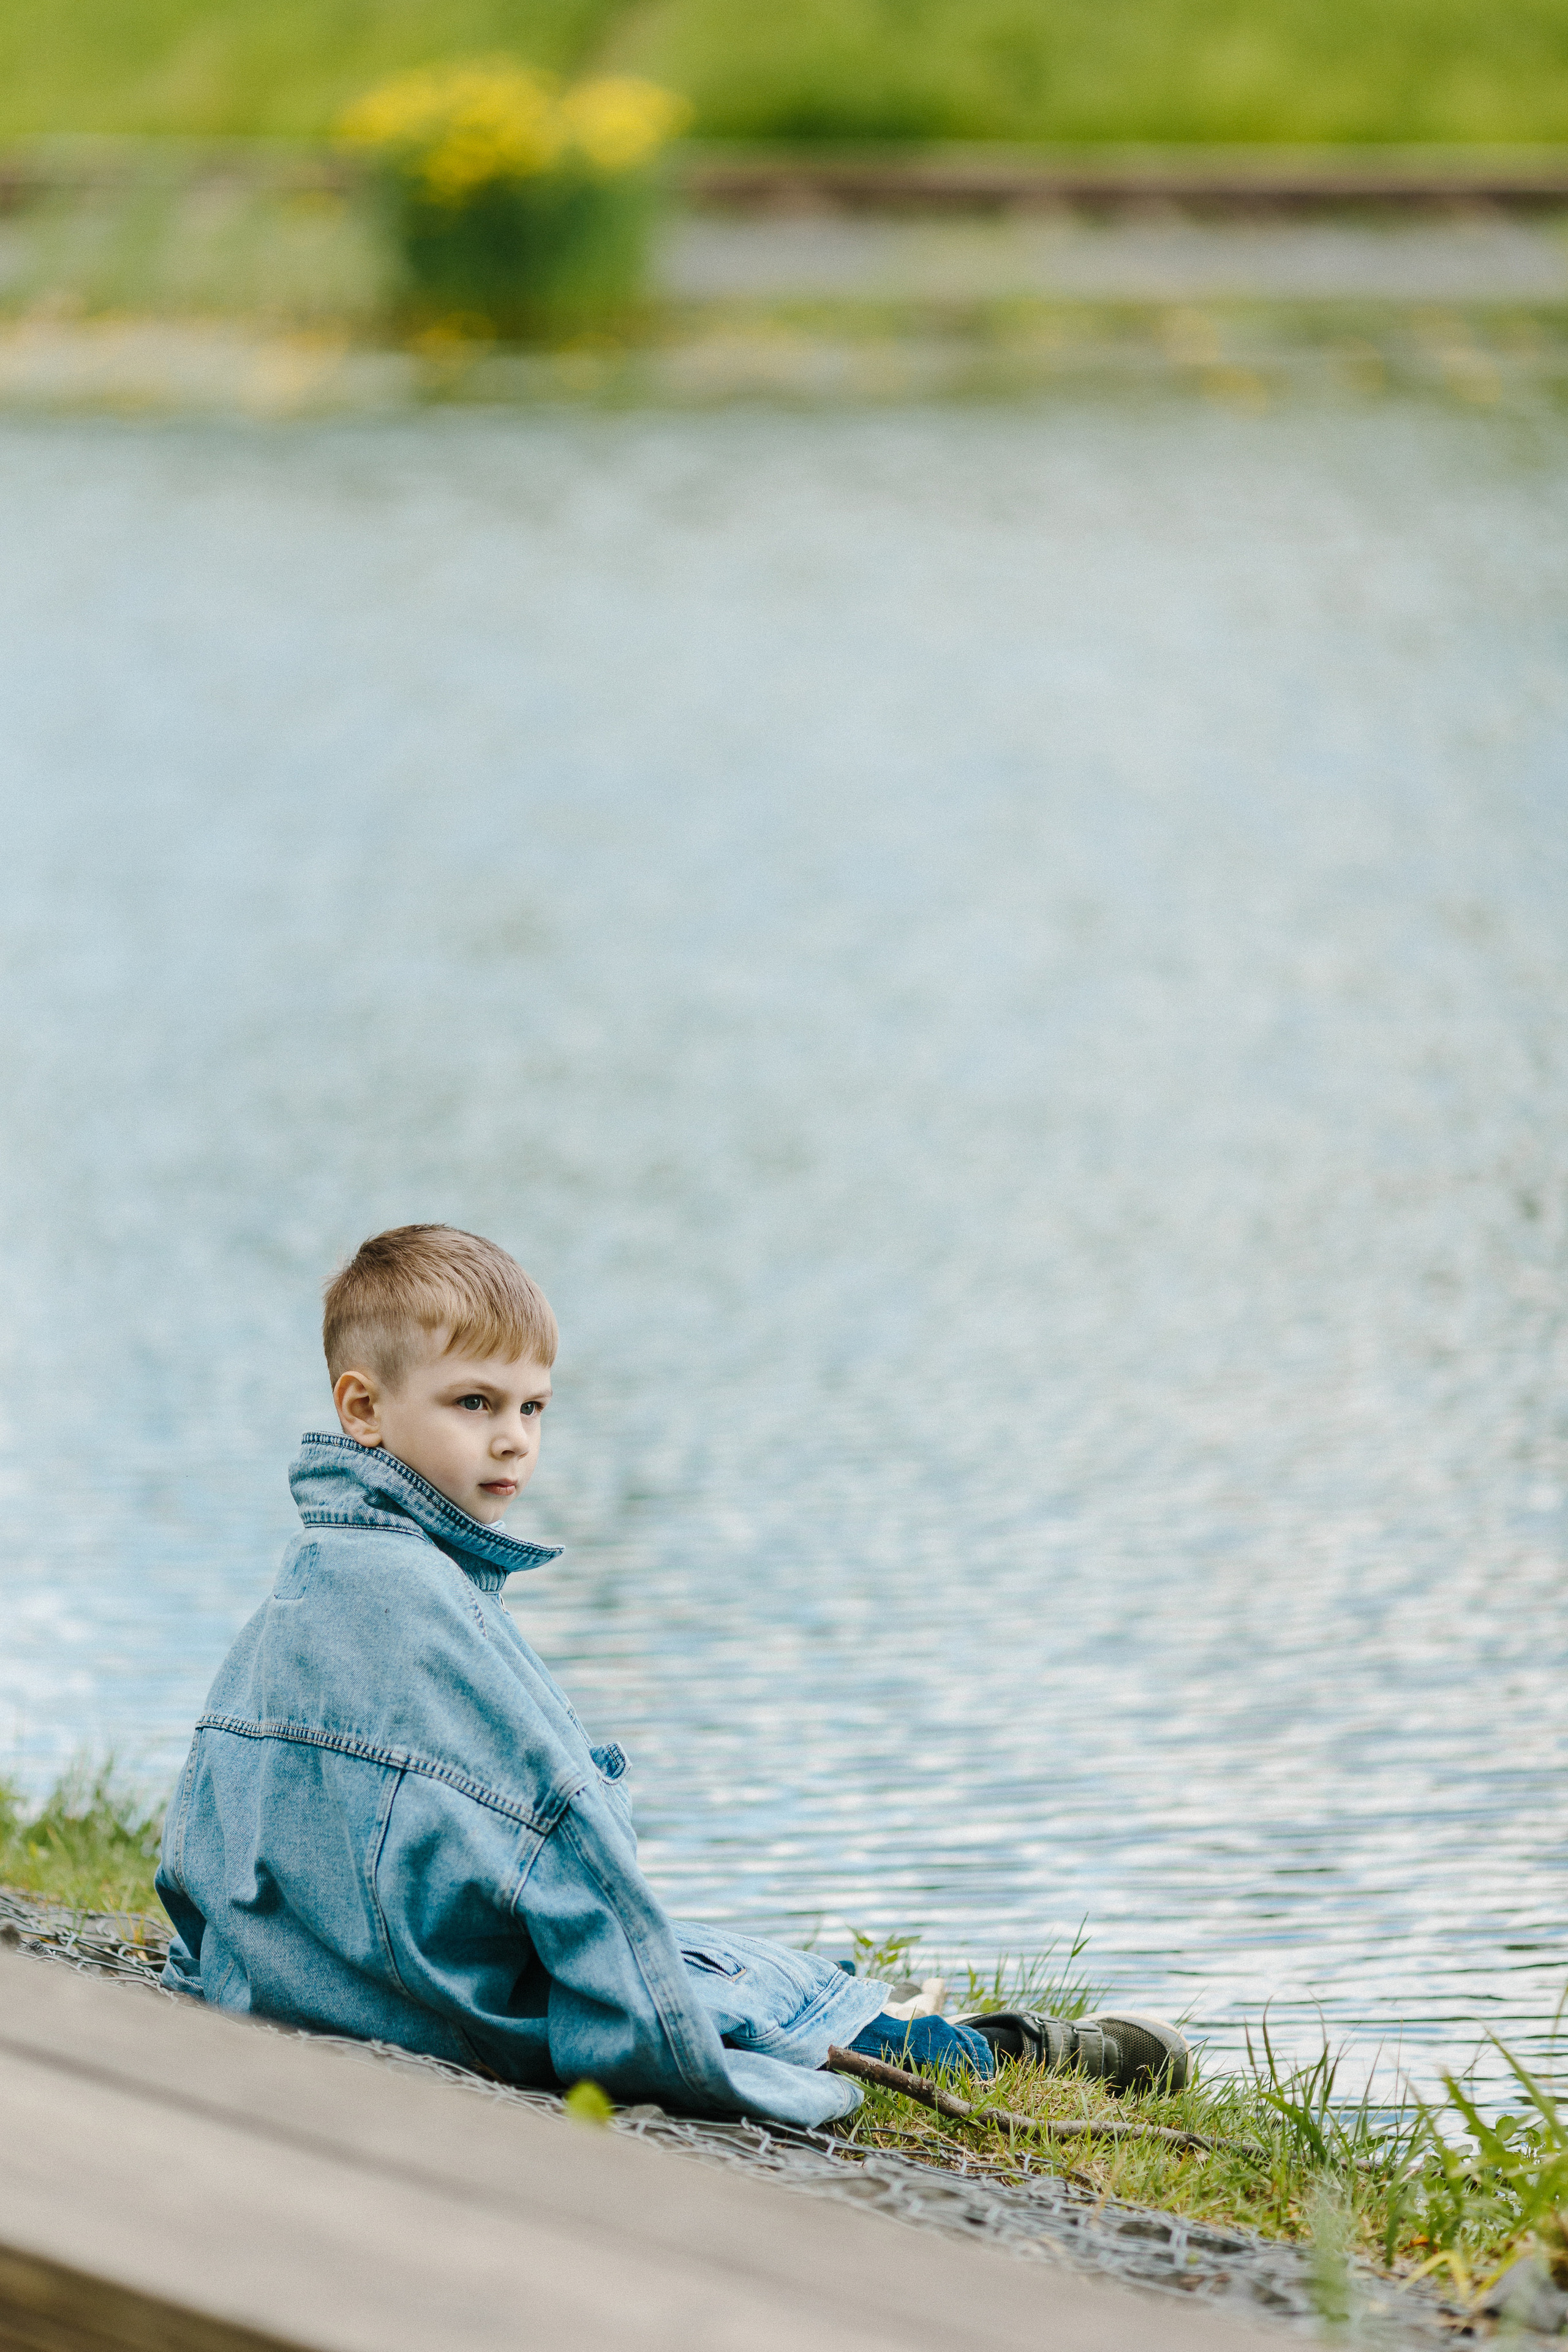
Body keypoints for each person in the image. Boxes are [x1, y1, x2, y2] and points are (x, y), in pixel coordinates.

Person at [157, 1224, 1186, 2127]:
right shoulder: (425, 1609)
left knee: (740, 1967)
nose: (514, 1437)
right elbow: (568, 1843)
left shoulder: (302, 1591)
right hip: (451, 2010)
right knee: (741, 1983)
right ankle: (991, 2049)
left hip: (313, 1987)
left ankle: (892, 2008)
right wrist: (660, 2029)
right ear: (363, 1409)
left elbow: (196, 1849)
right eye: (475, 1402)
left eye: (533, 1406)